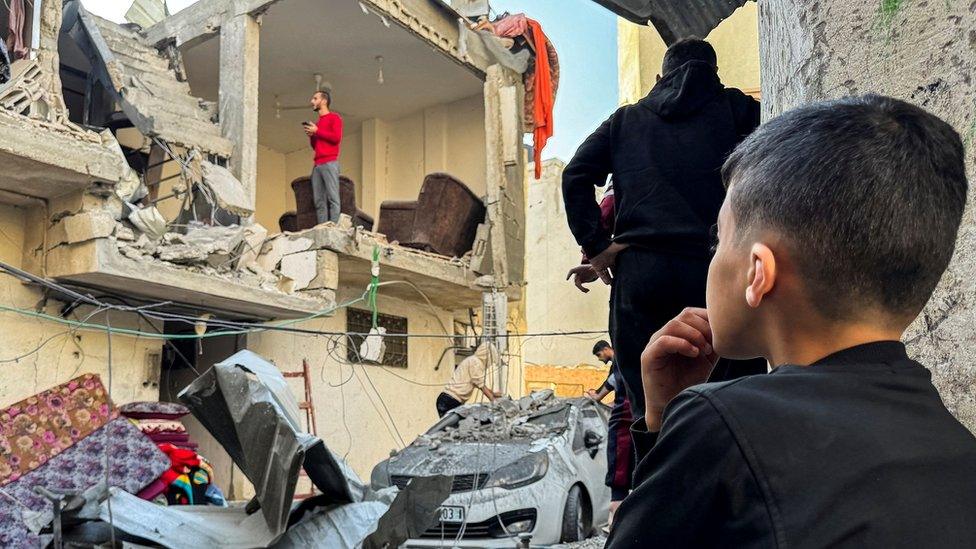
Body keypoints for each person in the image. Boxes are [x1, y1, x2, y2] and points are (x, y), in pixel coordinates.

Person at [607, 95, 976, 547]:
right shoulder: (955, 444)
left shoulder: (720, 421)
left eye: (718, 241)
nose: (713, 258)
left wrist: (661, 420)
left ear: (758, 273)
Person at [562, 37, 766, 417]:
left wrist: (598, 246)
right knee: (737, 403)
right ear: (715, 76)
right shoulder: (738, 109)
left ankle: (661, 470)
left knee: (650, 406)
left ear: (660, 76)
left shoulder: (626, 120)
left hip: (643, 276)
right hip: (717, 272)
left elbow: (575, 174)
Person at [584, 340, 633, 529]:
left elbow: (614, 383)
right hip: (633, 413)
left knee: (619, 451)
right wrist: (598, 396)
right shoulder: (620, 364)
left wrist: (598, 397)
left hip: (627, 417)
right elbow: (611, 383)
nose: (600, 359)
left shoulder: (622, 361)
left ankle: (617, 505)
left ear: (606, 349)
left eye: (599, 356)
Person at [303, 90, 343, 225]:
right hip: (317, 164)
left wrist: (317, 131)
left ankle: (334, 229)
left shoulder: (335, 118)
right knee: (319, 201)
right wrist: (312, 135)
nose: (312, 101)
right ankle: (322, 228)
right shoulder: (317, 124)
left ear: (324, 101)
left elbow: (336, 138)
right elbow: (316, 146)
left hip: (330, 162)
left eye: (315, 98)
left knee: (333, 198)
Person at [436, 343, 504, 417]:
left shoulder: (473, 360)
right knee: (452, 426)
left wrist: (493, 394)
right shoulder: (475, 362)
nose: (490, 364)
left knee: (453, 426)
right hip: (450, 400)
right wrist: (494, 401)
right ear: (487, 356)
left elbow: (479, 384)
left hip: (450, 399)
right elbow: (481, 385)